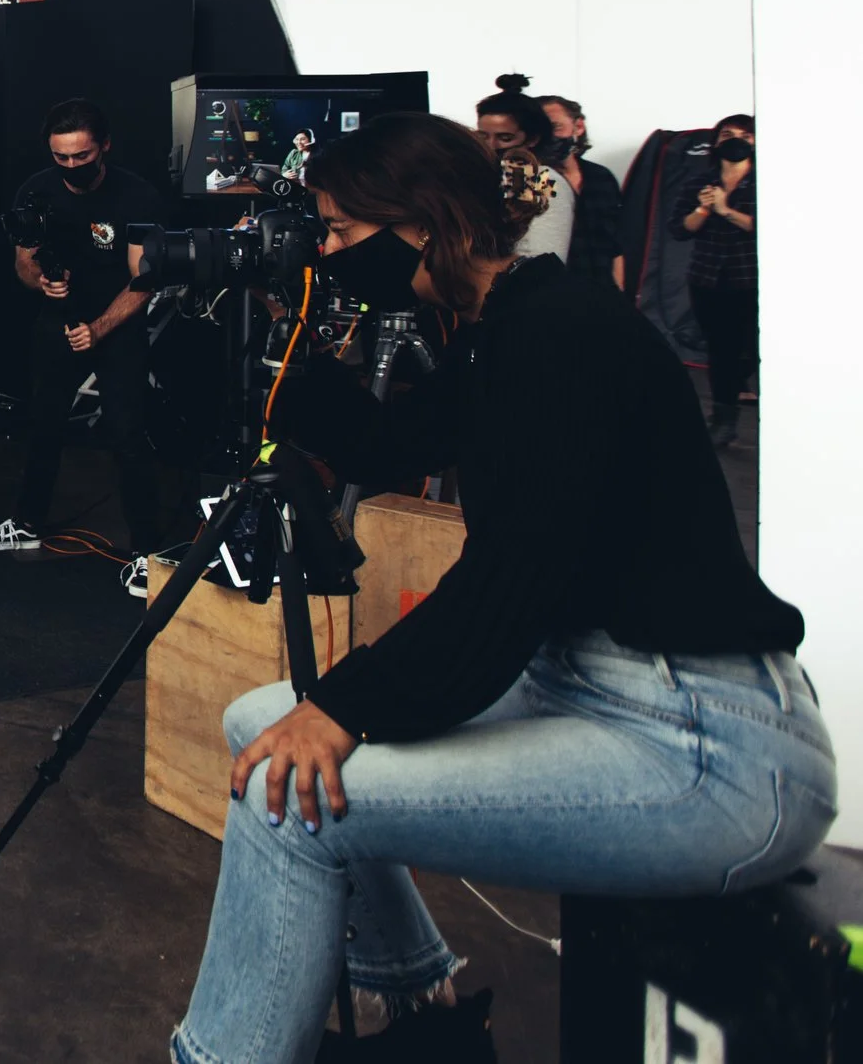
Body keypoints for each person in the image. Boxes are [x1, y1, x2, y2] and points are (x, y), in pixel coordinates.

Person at [171, 113, 827, 1064]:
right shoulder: (506, 327)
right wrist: (283, 358)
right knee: (257, 720)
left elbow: (510, 583)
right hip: (594, 685)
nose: (338, 256)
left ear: (427, 224)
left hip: (708, 741)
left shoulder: (561, 338)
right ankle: (415, 996)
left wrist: (345, 707)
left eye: (350, 237)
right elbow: (394, 445)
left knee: (281, 789)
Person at [0, 98, 169, 557]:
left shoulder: (135, 196)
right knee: (43, 425)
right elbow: (23, 263)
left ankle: (147, 552)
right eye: (61, 157)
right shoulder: (36, 191)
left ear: (104, 147)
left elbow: (144, 278)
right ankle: (26, 523)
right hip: (57, 323)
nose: (70, 165)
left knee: (127, 434)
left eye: (80, 156)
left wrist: (99, 329)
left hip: (117, 323)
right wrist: (42, 283)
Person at [670, 114, 758, 448]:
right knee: (720, 350)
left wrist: (725, 210)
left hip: (752, 280)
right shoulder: (698, 182)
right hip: (708, 279)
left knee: (751, 348)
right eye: (727, 134)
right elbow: (679, 229)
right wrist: (704, 210)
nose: (735, 140)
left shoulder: (770, 182)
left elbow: (769, 230)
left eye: (745, 135)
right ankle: (723, 420)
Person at [473, 73, 573, 262]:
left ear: (533, 139)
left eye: (505, 138)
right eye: (483, 136)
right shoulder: (482, 175)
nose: (491, 145)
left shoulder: (540, 178)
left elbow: (543, 258)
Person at [538, 93, 626, 290]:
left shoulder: (601, 177)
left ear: (578, 126)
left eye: (555, 127)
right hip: (555, 293)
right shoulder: (534, 180)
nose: (548, 137)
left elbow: (615, 243)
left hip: (601, 292)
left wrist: (620, 293)